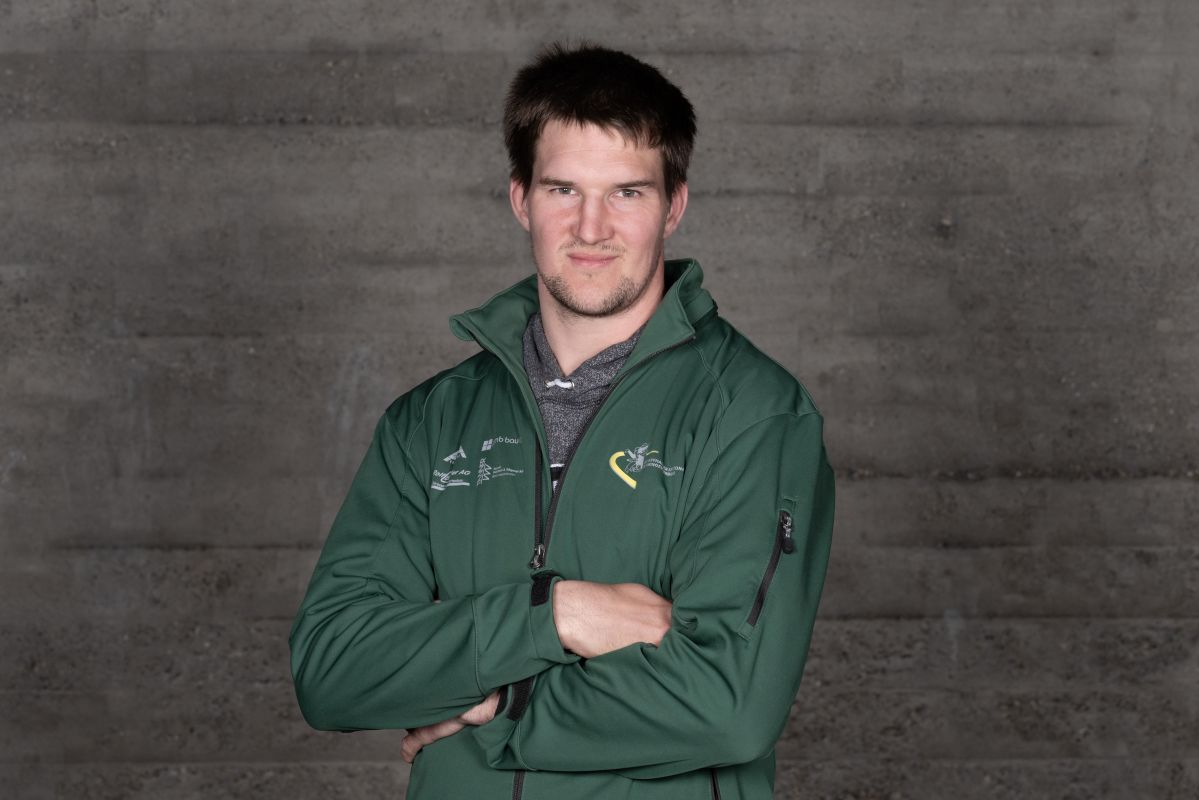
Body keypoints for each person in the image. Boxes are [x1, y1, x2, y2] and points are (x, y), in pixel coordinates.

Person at [289, 42, 835, 800]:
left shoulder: (753, 414)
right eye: (562, 190)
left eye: (627, 193)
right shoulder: (430, 423)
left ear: (673, 206)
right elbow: (331, 670)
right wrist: (555, 616)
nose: (591, 227)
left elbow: (727, 703)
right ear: (521, 200)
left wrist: (495, 705)